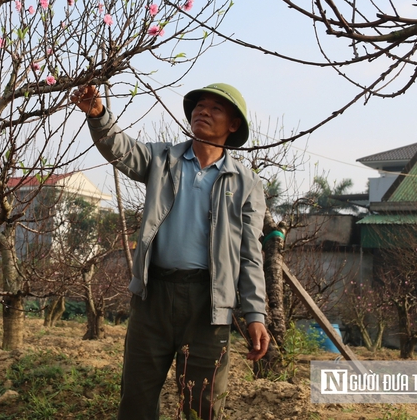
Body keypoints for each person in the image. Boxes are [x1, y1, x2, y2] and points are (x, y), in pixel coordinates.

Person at [69, 83, 270, 420]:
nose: (202, 112)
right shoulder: (164, 160)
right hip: (154, 299)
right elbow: (122, 150)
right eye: (199, 106)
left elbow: (250, 255)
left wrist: (255, 315)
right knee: (137, 400)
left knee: (201, 404)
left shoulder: (245, 184)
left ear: (233, 125)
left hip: (209, 306)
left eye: (215, 109)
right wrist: (99, 115)